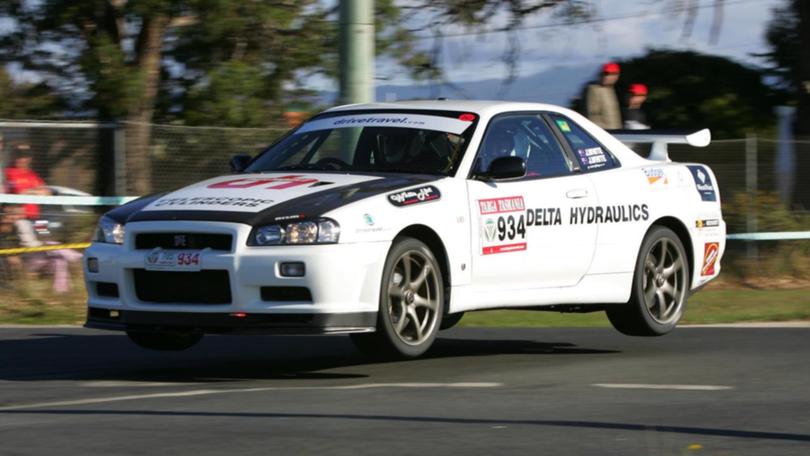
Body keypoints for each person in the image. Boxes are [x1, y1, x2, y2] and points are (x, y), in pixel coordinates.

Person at [4, 143, 51, 222]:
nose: (21, 159)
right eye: (18, 154)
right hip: (20, 219)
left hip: (36, 218)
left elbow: (46, 193)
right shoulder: (8, 173)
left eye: (25, 155)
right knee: (27, 232)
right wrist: (35, 192)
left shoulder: (33, 175)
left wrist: (29, 191)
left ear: (30, 158)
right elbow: (17, 194)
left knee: (45, 232)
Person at [585, 62, 622, 130]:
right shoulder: (594, 90)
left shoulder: (611, 90)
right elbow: (593, 116)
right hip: (603, 133)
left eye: (611, 74)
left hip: (615, 133)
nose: (606, 77)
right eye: (605, 74)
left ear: (616, 76)